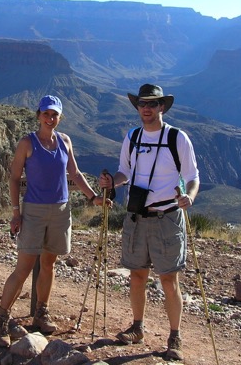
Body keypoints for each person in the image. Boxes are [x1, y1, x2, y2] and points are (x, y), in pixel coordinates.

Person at [0, 94, 111, 347]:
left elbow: (74, 173)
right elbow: (14, 178)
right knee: (23, 268)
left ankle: (41, 312)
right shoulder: (27, 143)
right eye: (46, 114)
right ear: (39, 115)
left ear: (59, 117)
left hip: (60, 210)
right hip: (33, 211)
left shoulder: (65, 141)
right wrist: (16, 213)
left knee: (49, 264)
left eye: (54, 114)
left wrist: (93, 198)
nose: (50, 118)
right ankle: (0, 319)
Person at [99, 84, 199, 361]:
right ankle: (137, 327)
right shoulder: (132, 137)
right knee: (137, 275)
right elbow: (125, 172)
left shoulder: (177, 138)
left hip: (167, 216)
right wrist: (112, 182)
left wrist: (189, 196)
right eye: (142, 103)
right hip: (137, 216)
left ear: (161, 107)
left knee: (169, 279)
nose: (146, 108)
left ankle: (175, 336)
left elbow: (192, 176)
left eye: (152, 104)